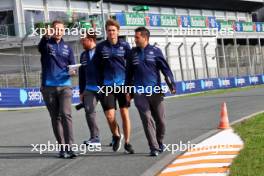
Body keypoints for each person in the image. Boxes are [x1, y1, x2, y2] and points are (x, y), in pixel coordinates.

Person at [126, 27, 176, 157]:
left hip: (155, 92)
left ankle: (159, 142)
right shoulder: (132, 53)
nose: (134, 39)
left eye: (137, 37)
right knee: (147, 119)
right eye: (134, 37)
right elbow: (128, 74)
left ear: (145, 38)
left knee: (161, 121)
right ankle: (153, 147)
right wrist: (127, 91)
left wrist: (172, 84)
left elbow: (166, 69)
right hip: (139, 92)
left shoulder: (156, 51)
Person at [94, 19, 134, 154]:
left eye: (113, 30)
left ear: (118, 32)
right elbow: (96, 67)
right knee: (110, 116)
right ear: (106, 32)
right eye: (109, 30)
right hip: (106, 86)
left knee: (124, 113)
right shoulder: (100, 47)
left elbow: (132, 64)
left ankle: (127, 142)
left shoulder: (125, 45)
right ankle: (117, 135)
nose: (111, 33)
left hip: (123, 85)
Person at [38, 20, 77, 158]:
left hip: (65, 85)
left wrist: (73, 71)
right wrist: (45, 37)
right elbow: (40, 47)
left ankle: (70, 147)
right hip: (49, 87)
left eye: (61, 29)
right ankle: (62, 148)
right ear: (52, 30)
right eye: (56, 29)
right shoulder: (46, 44)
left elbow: (72, 66)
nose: (58, 31)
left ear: (64, 31)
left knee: (66, 114)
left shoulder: (68, 47)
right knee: (55, 118)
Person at [78, 32, 101, 146]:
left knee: (110, 114)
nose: (82, 42)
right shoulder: (83, 55)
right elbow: (81, 75)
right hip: (89, 88)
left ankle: (115, 135)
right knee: (89, 111)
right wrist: (81, 91)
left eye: (83, 40)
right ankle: (95, 137)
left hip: (103, 88)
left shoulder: (101, 51)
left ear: (91, 40)